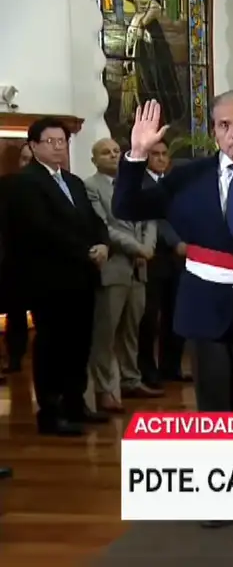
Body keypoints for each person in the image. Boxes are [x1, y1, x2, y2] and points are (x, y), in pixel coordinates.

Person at [114, 95, 233, 528]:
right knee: (214, 408)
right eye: (225, 125)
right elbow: (127, 208)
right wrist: (135, 155)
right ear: (214, 130)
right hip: (203, 309)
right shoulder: (187, 176)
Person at [5, 118, 110, 436]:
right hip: (50, 280)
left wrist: (103, 243)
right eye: (50, 141)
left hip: (83, 278)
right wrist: (85, 250)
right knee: (52, 347)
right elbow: (41, 230)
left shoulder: (74, 182)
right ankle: (50, 413)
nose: (58, 146)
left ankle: (75, 405)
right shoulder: (24, 183)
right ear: (33, 146)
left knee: (80, 344)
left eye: (62, 141)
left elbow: (94, 221)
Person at [85, 138, 164, 413]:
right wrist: (137, 247)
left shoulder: (135, 184)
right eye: (105, 152)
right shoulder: (90, 186)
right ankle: (105, 389)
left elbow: (149, 218)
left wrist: (148, 247)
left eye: (117, 151)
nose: (113, 156)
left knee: (132, 329)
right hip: (114, 267)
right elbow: (102, 225)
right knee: (106, 333)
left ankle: (131, 380)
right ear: (94, 159)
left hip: (139, 268)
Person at [136, 140, 188, 386]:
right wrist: (177, 241)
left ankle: (171, 366)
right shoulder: (141, 184)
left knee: (176, 313)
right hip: (153, 256)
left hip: (178, 260)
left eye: (164, 154)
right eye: (154, 154)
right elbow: (157, 218)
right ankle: (148, 369)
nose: (160, 158)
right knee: (150, 316)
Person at [0, 143, 33, 376]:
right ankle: (11, 358)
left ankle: (18, 357)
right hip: (8, 260)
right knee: (15, 311)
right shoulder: (5, 186)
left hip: (39, 262)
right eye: (24, 160)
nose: (27, 165)